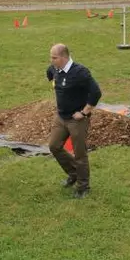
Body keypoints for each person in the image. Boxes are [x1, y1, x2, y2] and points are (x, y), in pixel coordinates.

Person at [46, 44, 102, 199]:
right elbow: (51, 76)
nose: (51, 61)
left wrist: (84, 112)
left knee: (80, 154)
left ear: (64, 57)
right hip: (61, 116)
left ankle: (83, 186)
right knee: (54, 146)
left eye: (54, 58)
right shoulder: (54, 69)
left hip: (76, 120)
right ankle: (74, 173)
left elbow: (96, 92)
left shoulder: (80, 72)